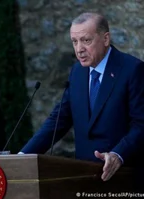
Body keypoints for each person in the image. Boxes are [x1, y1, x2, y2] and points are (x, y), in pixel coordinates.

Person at [20, 12, 144, 182]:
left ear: (106, 39)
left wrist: (118, 154)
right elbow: (59, 119)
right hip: (84, 176)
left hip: (123, 177)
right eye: (74, 42)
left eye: (86, 40)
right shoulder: (77, 72)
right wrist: (22, 156)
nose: (79, 49)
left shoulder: (132, 69)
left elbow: (141, 124)